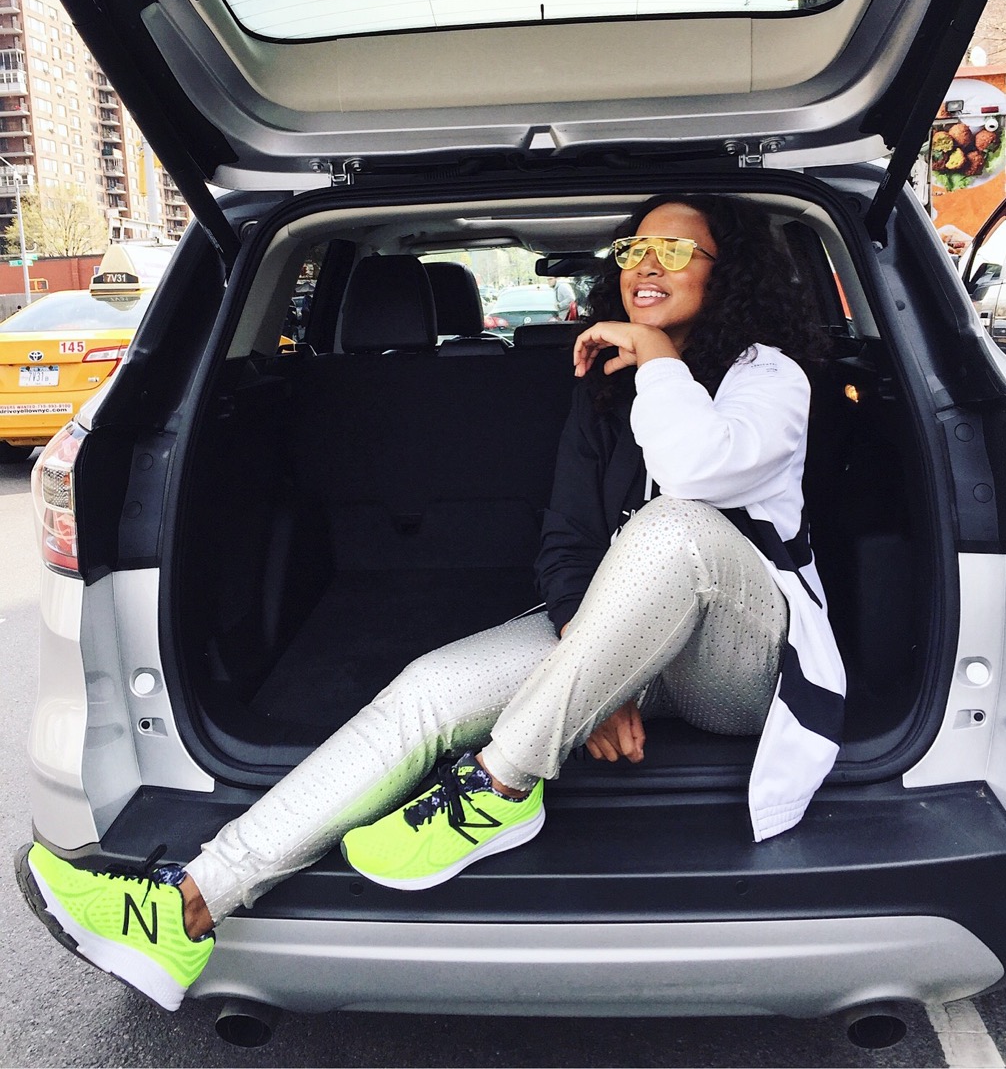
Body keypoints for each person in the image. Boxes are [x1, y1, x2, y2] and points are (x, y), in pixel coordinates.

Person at [16, 193, 845, 1013]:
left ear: (728, 272)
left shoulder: (768, 377)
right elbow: (565, 540)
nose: (645, 266)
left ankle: (501, 785)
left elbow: (699, 472)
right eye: (634, 250)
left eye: (675, 250)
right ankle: (187, 905)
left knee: (674, 525)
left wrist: (658, 358)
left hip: (741, 664)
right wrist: (599, 675)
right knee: (426, 690)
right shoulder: (603, 388)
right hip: (632, 640)